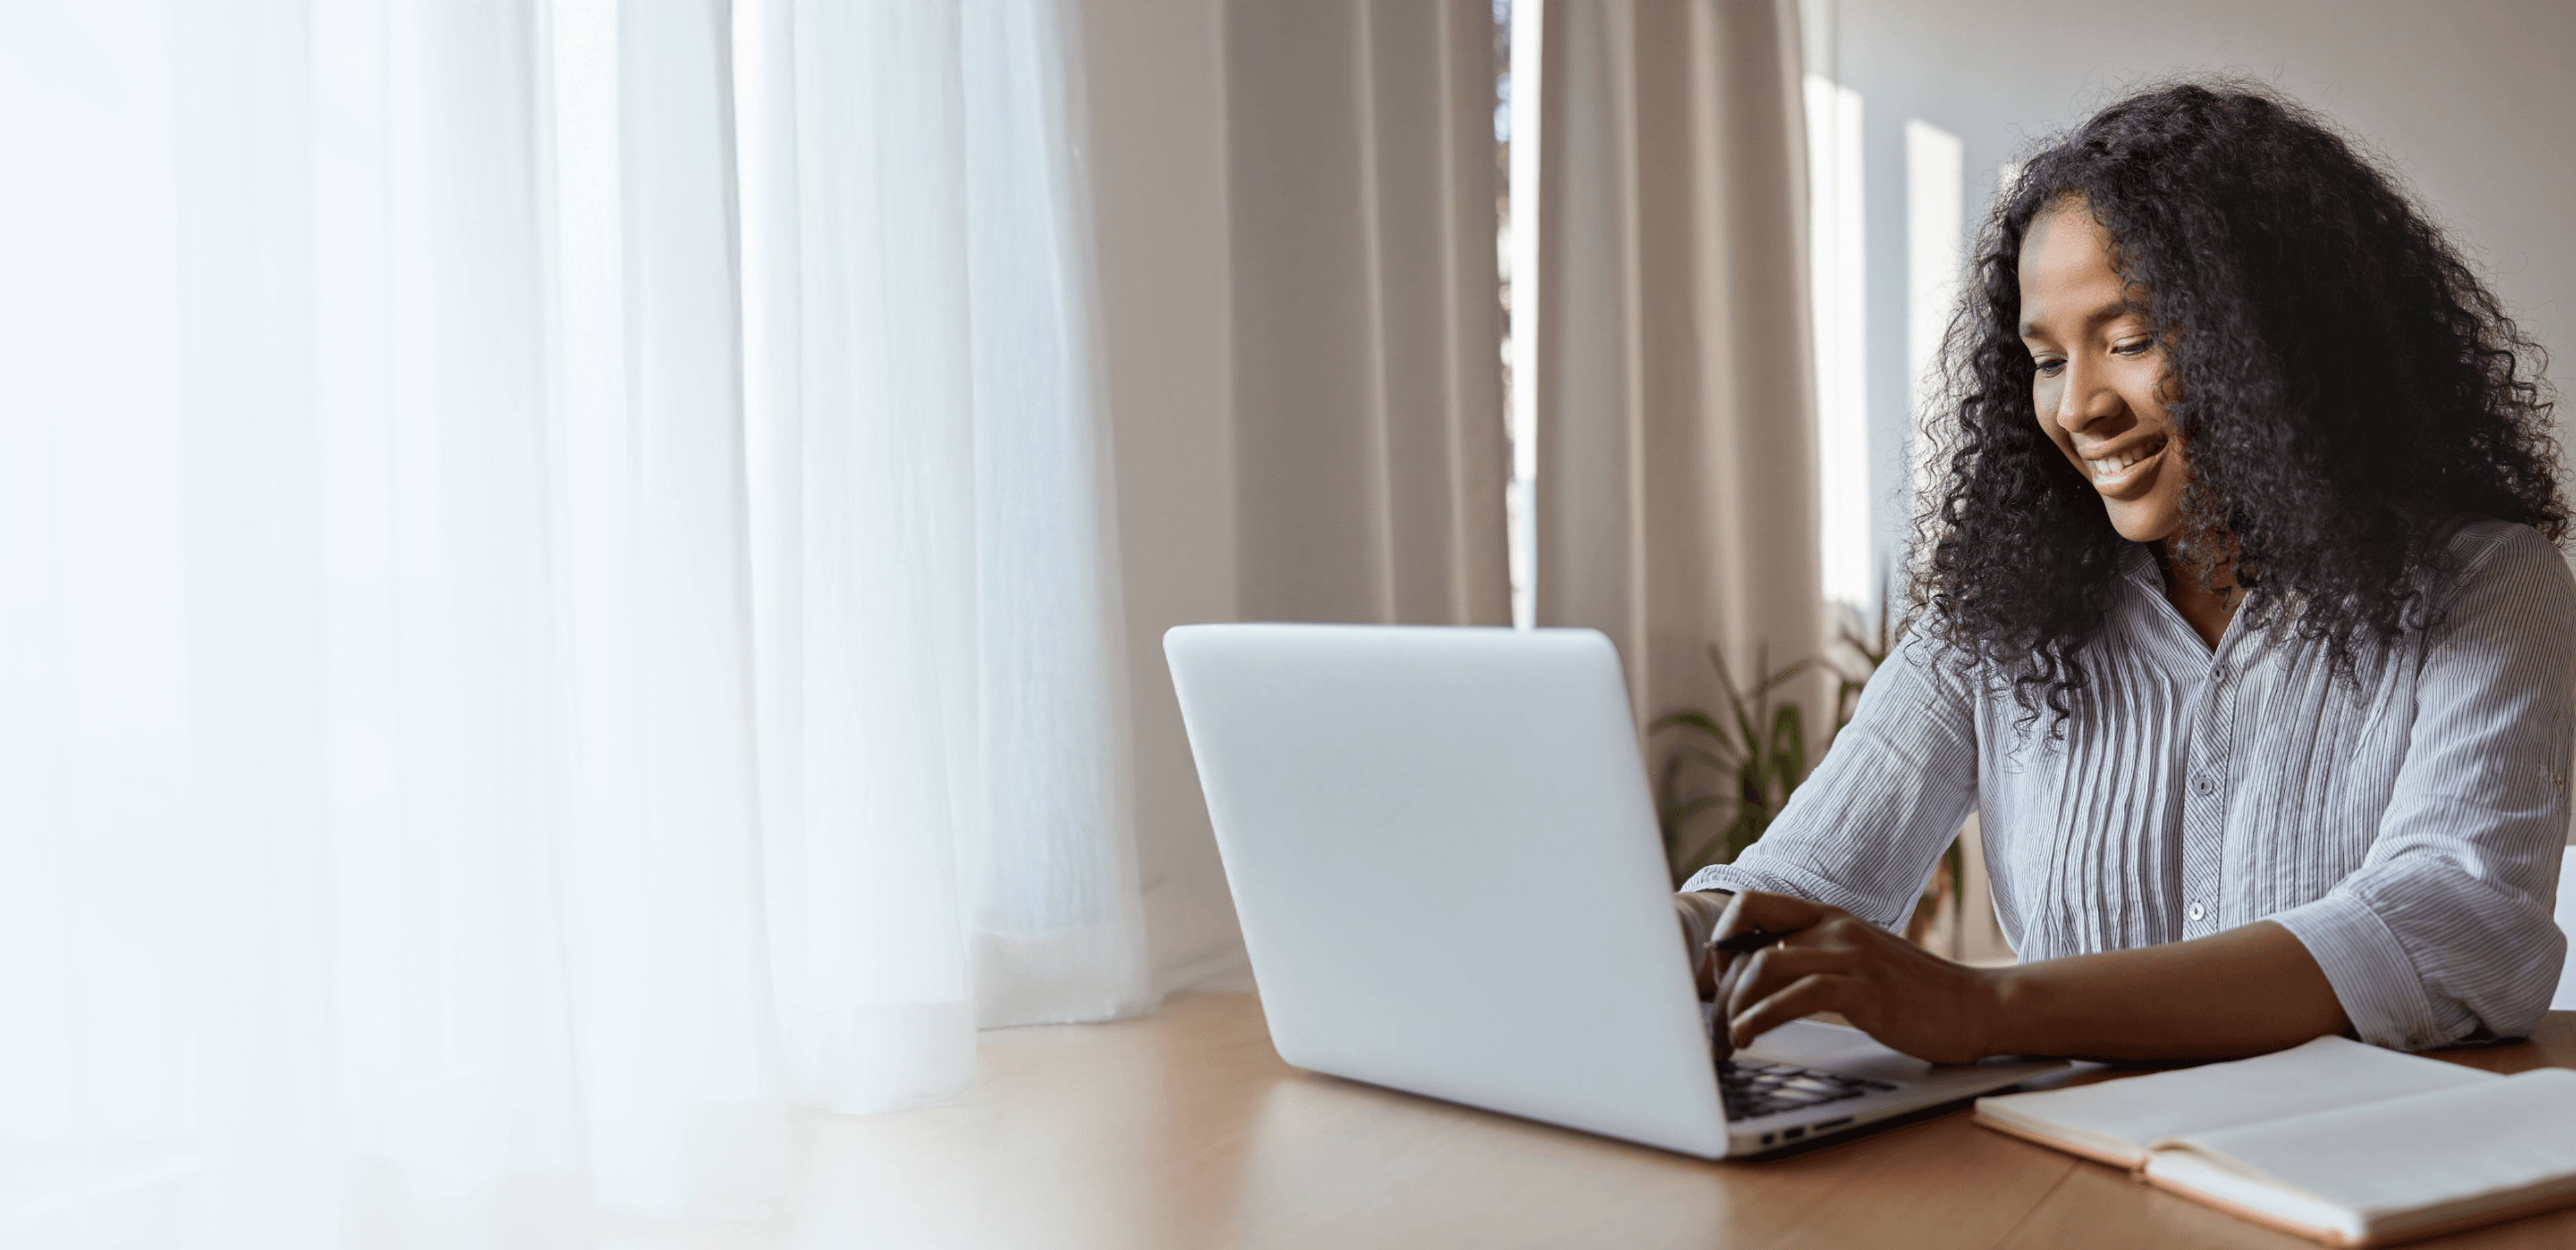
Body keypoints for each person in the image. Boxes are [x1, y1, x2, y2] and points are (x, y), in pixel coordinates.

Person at [1672, 82, 2574, 1064]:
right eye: (2046, 358)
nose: (2078, 408)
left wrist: (1991, 1009)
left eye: (2131, 339)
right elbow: (1803, 885)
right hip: (2073, 1182)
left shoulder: (2488, 585)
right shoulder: (1994, 619)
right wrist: (1672, 940)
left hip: (2354, 1185)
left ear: (2281, 336)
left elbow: (2446, 926)